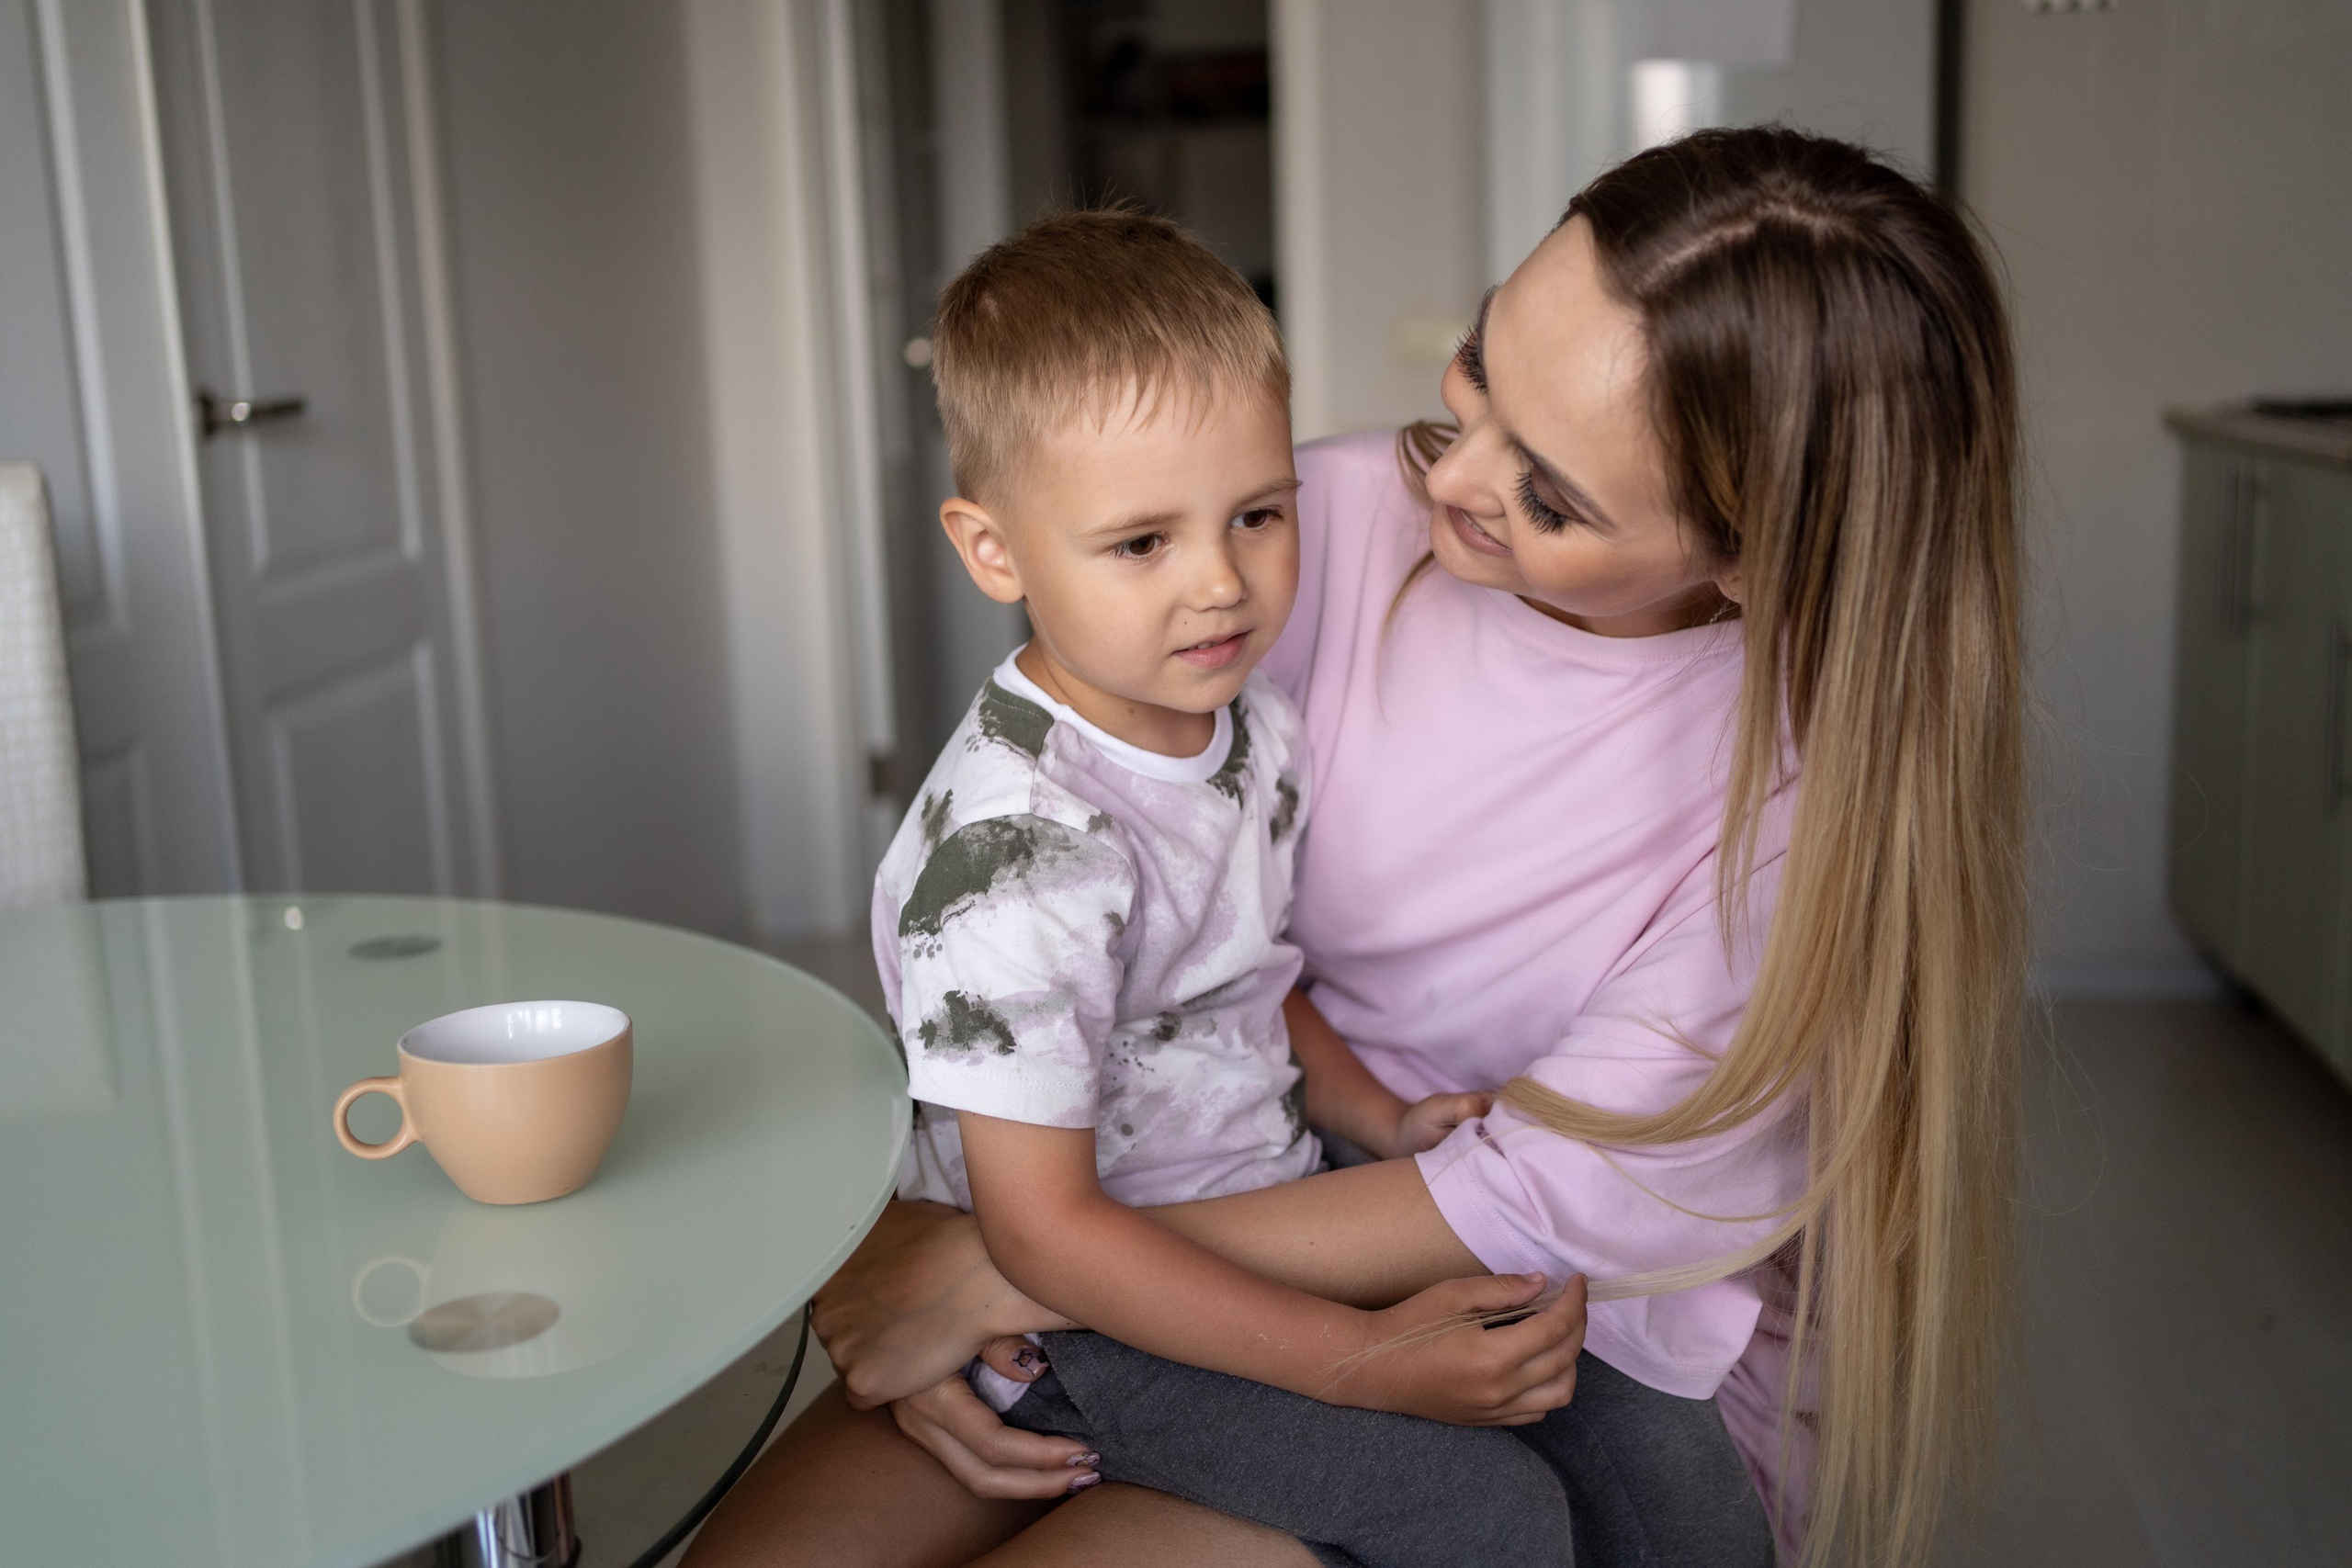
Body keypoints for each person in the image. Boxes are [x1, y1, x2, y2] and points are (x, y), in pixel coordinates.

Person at [701, 126, 2026, 1568]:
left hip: (1534, 1293)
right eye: (1479, 373)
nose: (1453, 480)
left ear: (1751, 551)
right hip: (1211, 1187)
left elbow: (1527, 1195)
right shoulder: (1292, 533)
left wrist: (1004, 1273)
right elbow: (1115, 937)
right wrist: (939, 1234)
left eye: (1553, 499)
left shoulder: (1803, 800)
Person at [689, 209, 1598, 1568]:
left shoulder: (1247, 728)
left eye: (1256, 515)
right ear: (994, 553)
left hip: (1235, 1217)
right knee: (1488, 1514)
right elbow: (1043, 1239)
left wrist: (1379, 1113)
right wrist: (1356, 1361)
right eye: (1141, 544)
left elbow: (1242, 979)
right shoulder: (1022, 856)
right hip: (1079, 1320)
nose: (1221, 582)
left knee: (1565, 1377)